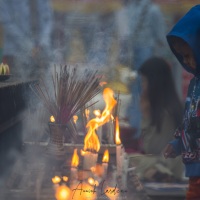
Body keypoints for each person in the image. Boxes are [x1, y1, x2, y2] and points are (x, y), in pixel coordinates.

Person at [163, 5, 200, 199]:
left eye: (189, 54)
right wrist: (178, 143)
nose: (187, 62)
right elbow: (190, 120)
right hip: (195, 171)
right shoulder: (195, 83)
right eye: (182, 57)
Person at [115, 0, 167, 138]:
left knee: (147, 91)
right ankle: (134, 128)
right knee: (133, 92)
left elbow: (161, 38)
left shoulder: (153, 10)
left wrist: (160, 61)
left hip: (147, 53)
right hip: (132, 54)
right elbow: (125, 34)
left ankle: (145, 131)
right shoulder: (128, 9)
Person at [131, 56, 184, 182]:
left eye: (144, 81)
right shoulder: (168, 107)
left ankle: (156, 175)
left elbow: (151, 148)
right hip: (161, 163)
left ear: (154, 83)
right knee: (128, 159)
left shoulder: (165, 114)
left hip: (168, 167)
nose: (143, 87)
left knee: (128, 161)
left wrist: (146, 114)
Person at [0, 0, 53, 79]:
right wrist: (27, 45)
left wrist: (43, 43)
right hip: (15, 53)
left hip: (40, 53)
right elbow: (6, 21)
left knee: (40, 88)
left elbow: (48, 20)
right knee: (16, 88)